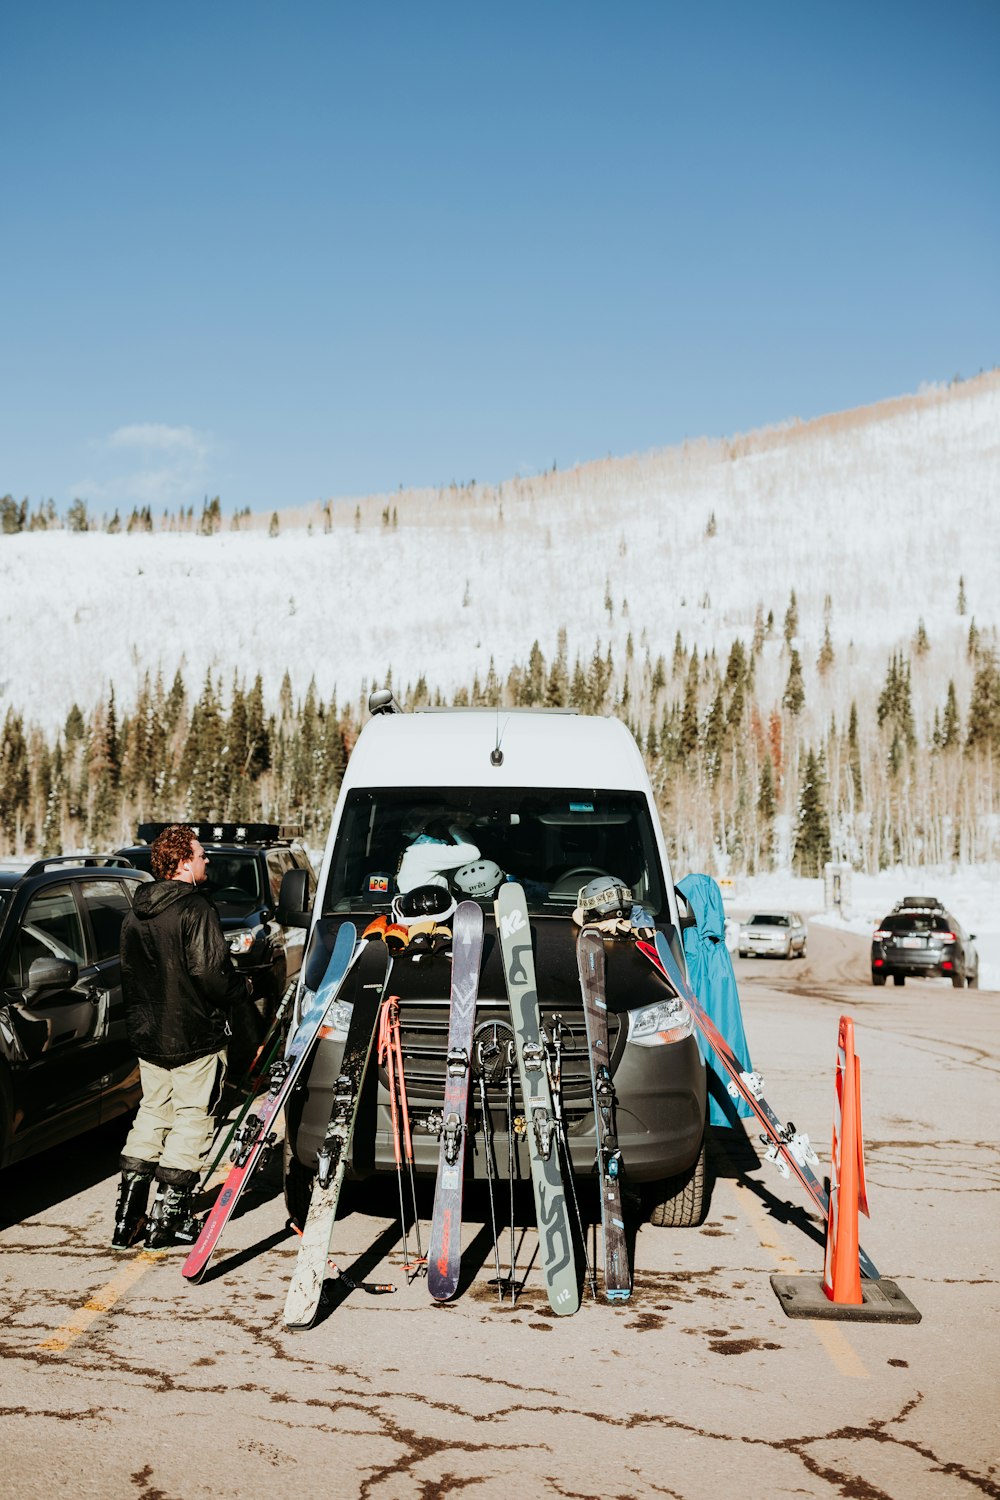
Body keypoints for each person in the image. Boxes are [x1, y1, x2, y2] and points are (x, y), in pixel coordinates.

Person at [111, 824, 249, 1249]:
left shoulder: (135, 911)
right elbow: (210, 974)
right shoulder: (196, 907)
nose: (207, 860)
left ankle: (126, 1219)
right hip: (193, 1034)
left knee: (153, 1114)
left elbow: (130, 972)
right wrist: (240, 988)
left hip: (149, 1033)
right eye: (202, 854)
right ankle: (166, 1220)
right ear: (184, 863)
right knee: (192, 1118)